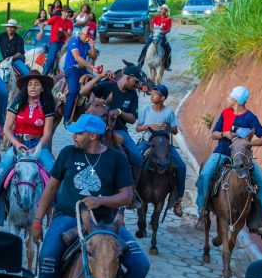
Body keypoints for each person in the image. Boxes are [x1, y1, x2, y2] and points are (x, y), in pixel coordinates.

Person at [32, 113, 149, 278]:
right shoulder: (67, 153)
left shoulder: (116, 158)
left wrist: (102, 200)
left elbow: (126, 195)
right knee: (47, 259)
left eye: (79, 132)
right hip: (68, 217)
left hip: (105, 224)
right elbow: (51, 189)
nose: (73, 136)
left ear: (93, 136)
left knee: (140, 264)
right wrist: (37, 220)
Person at [0, 73, 56, 231]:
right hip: (18, 144)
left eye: (37, 84)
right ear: (25, 88)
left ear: (42, 88)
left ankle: (56, 217)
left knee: (55, 177)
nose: (33, 87)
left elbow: (48, 133)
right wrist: (16, 144)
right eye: (30, 84)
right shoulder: (17, 103)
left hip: (38, 145)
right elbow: (7, 129)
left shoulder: (48, 105)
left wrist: (38, 147)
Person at [195, 86, 262, 234]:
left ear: (236, 100)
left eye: (230, 97)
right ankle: (202, 210)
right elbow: (214, 134)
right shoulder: (225, 113)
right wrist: (225, 134)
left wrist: (249, 143)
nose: (227, 99)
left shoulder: (250, 117)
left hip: (242, 157)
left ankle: (256, 220)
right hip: (222, 153)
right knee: (205, 175)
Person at [81, 65, 143, 208]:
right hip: (97, 128)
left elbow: (133, 118)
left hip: (119, 130)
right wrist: (99, 77)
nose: (137, 85)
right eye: (136, 81)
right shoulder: (107, 86)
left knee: (137, 156)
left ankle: (132, 193)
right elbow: (83, 92)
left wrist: (120, 112)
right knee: (78, 146)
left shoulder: (132, 95)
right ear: (127, 77)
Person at [135, 84, 186, 216]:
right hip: (147, 143)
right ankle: (131, 194)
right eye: (152, 93)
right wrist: (148, 126)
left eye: (155, 94)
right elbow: (137, 127)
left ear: (163, 98)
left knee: (181, 166)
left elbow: (175, 131)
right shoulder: (146, 109)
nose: (152, 95)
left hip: (164, 145)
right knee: (133, 160)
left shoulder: (169, 112)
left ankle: (177, 200)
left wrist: (168, 126)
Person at [60, 26, 98, 124]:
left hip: (82, 70)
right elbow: (77, 57)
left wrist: (93, 46)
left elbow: (94, 56)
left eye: (90, 37)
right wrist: (91, 67)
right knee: (72, 91)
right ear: (81, 33)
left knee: (96, 85)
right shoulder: (74, 42)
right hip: (71, 69)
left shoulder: (87, 44)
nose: (88, 39)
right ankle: (67, 118)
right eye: (86, 36)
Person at [38, 7, 72, 76]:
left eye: (68, 12)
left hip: (64, 44)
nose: (66, 14)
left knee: (66, 60)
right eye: (65, 12)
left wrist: (62, 32)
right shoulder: (55, 18)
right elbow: (42, 24)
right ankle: (43, 76)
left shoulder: (69, 22)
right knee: (51, 60)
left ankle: (61, 76)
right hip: (54, 43)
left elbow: (69, 35)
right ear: (62, 12)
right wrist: (41, 32)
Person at [138, 4, 173, 71]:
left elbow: (168, 29)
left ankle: (167, 65)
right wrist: (153, 30)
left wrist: (163, 31)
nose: (163, 10)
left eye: (164, 9)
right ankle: (140, 63)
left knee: (169, 49)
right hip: (153, 36)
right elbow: (151, 27)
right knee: (146, 47)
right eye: (162, 9)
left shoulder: (168, 19)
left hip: (162, 37)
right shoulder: (156, 17)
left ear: (166, 11)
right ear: (160, 10)